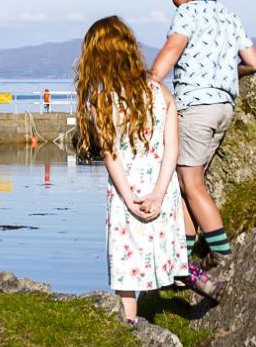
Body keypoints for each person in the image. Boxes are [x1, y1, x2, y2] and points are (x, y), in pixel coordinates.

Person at [147, 0, 256, 297]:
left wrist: (150, 82)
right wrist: (225, 73)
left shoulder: (187, 15)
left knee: (192, 185)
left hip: (195, 108)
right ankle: (182, 259)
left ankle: (223, 258)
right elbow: (253, 62)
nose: (173, 2)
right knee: (187, 183)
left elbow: (170, 53)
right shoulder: (229, 15)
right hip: (223, 106)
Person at [75, 16, 186, 325]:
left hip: (128, 195)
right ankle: (211, 285)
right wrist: (160, 193)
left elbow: (110, 155)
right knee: (167, 256)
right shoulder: (161, 92)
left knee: (128, 273)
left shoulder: (102, 101)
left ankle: (129, 328)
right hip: (162, 191)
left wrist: (129, 197)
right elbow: (172, 149)